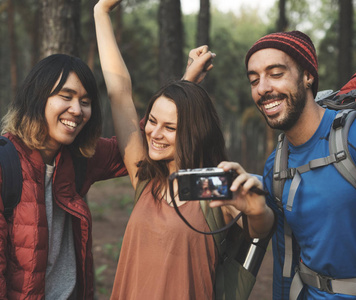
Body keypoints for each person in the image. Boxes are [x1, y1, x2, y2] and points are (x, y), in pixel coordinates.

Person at [94, 0, 274, 299]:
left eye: (169, 128)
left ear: (193, 132)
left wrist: (257, 210)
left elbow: (259, 227)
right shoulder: (146, 179)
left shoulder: (209, 186)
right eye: (151, 121)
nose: (153, 133)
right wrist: (101, 11)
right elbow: (119, 92)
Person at [242, 31, 356, 299]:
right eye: (254, 79)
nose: (262, 88)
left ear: (308, 75)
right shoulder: (276, 165)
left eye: (276, 73)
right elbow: (285, 260)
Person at [0, 53, 128, 299]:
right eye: (66, 97)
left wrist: (184, 87)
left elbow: (142, 143)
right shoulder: (6, 164)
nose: (77, 110)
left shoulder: (77, 158)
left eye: (86, 101)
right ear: (38, 98)